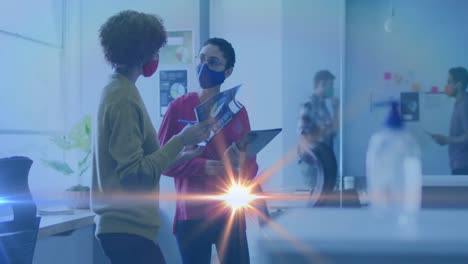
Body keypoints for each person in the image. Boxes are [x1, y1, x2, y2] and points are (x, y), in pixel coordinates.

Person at [91, 10, 212, 264]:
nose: (156, 57)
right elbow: (135, 174)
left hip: (127, 230)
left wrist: (181, 155)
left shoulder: (119, 89)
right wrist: (179, 139)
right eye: (155, 51)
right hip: (126, 229)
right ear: (142, 54)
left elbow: (145, 164)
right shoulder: (122, 97)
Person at [158, 37, 258, 264]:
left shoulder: (238, 112)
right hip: (191, 214)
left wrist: (238, 165)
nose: (204, 67)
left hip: (230, 212)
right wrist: (204, 167)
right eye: (202, 60)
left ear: (228, 71)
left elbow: (251, 166)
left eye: (213, 62)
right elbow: (160, 160)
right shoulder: (178, 108)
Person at [297, 70, 340, 205]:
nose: (332, 89)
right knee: (315, 202)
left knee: (324, 201)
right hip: (314, 163)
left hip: (324, 161)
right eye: (331, 86)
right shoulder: (309, 104)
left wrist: (336, 109)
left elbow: (333, 131)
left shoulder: (323, 106)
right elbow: (302, 135)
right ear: (321, 84)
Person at [429, 67, 468, 175]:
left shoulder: (464, 105)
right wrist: (445, 140)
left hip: (463, 165)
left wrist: (446, 140)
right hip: (458, 163)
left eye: (449, 82)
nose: (446, 85)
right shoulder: (459, 103)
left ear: (459, 85)